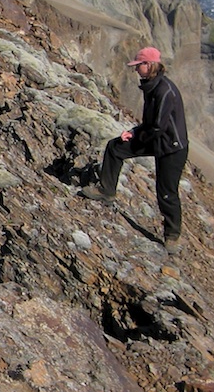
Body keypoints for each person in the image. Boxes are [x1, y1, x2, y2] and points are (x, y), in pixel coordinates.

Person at [80, 46, 189, 252]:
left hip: (171, 147)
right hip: (156, 139)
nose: (136, 70)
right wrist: (133, 132)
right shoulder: (153, 85)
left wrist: (138, 136)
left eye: (138, 66)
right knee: (115, 147)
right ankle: (106, 190)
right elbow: (152, 124)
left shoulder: (163, 91)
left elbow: (158, 126)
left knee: (166, 192)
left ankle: (172, 236)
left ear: (148, 65)